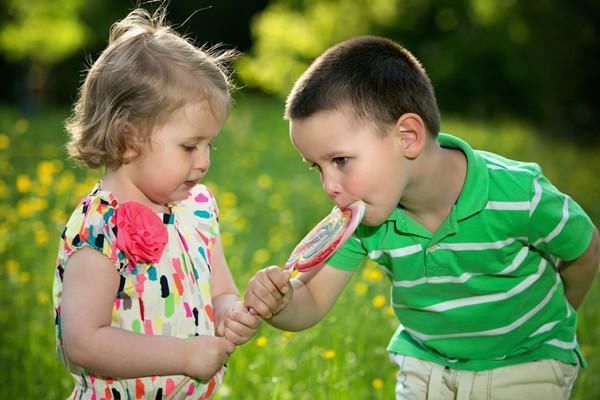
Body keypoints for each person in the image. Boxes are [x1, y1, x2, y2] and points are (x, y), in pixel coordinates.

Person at [244, 36, 600, 399]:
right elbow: (313, 301)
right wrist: (283, 303)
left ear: (408, 137)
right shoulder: (364, 223)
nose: (329, 186)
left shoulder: (517, 193)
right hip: (427, 367)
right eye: (315, 168)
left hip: (528, 362)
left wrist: (558, 315)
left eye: (340, 161)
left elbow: (584, 249)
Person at [52, 8, 260, 399]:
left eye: (208, 145)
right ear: (130, 139)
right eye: (189, 146)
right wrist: (184, 355)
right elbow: (82, 341)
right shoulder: (101, 226)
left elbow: (221, 292)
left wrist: (232, 314)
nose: (204, 161)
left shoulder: (196, 207)